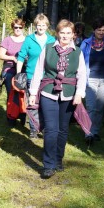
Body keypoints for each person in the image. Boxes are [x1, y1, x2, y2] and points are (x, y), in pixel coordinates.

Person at [28, 19, 87, 179]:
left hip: (68, 94)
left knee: (63, 129)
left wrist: (79, 93)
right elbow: (38, 71)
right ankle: (48, 165)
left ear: (73, 35)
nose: (65, 36)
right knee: (51, 129)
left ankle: (58, 159)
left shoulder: (78, 52)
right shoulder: (48, 49)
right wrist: (33, 93)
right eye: (62, 33)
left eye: (68, 33)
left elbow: (82, 74)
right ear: (57, 34)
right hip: (48, 92)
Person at [16, 13, 55, 138]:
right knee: (32, 103)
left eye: (43, 25)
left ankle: (43, 127)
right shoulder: (29, 39)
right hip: (31, 75)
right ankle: (33, 129)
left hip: (48, 76)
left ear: (47, 26)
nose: (41, 27)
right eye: (38, 25)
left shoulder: (52, 40)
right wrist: (18, 74)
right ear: (35, 26)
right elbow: (21, 56)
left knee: (45, 103)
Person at [80, 17, 104, 145]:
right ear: (94, 30)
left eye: (103, 30)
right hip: (90, 79)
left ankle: (95, 131)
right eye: (98, 30)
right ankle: (88, 133)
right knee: (91, 107)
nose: (101, 32)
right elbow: (80, 62)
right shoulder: (86, 43)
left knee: (100, 108)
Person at [0, 18, 26, 126]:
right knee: (11, 93)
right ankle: (11, 117)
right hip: (9, 69)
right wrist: (13, 58)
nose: (18, 29)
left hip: (23, 70)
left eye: (20, 27)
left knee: (22, 94)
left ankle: (22, 115)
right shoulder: (7, 40)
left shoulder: (27, 40)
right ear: (12, 28)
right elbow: (1, 55)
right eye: (16, 27)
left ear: (23, 27)